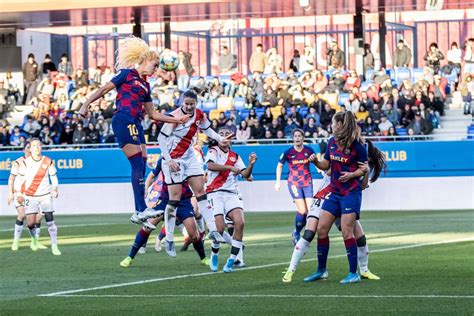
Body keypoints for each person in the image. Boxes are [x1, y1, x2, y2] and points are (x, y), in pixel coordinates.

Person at [78, 36, 188, 229]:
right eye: (154, 66)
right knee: (137, 163)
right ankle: (140, 210)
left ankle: (140, 209)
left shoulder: (146, 85)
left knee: (144, 161)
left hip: (136, 123)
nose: (155, 70)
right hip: (124, 118)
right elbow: (104, 89)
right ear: (145, 61)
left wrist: (175, 119)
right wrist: (86, 104)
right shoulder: (127, 74)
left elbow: (153, 114)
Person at [282, 139, 385, 282]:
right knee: (312, 232)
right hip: (325, 196)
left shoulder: (358, 164)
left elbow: (361, 186)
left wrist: (364, 173)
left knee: (358, 236)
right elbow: (329, 169)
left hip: (341, 198)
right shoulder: (341, 154)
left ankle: (364, 270)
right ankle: (295, 270)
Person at [158, 90, 233, 256]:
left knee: (201, 192)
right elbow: (161, 139)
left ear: (196, 103)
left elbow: (208, 130)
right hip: (174, 158)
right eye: (187, 104)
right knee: (174, 200)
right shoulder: (174, 116)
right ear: (182, 103)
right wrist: (169, 159)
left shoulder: (199, 115)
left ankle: (213, 230)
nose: (189, 107)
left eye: (192, 104)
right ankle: (169, 238)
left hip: (189, 155)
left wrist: (221, 139)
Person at [303, 112, 368, 284]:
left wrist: (352, 174)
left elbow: (364, 169)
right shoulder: (331, 142)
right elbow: (327, 165)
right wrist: (316, 162)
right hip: (335, 192)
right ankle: (321, 270)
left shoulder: (358, 147)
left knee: (347, 231)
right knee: (321, 229)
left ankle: (354, 273)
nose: (331, 126)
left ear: (340, 125)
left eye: (333, 123)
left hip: (351, 194)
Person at [120, 158, 210, 267]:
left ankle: (203, 258)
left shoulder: (187, 158)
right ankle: (130, 256)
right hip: (165, 200)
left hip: (183, 201)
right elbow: (152, 175)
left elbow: (196, 179)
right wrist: (146, 190)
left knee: (193, 234)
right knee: (148, 226)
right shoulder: (164, 159)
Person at [206, 127, 257, 273]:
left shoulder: (236, 155)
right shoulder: (213, 151)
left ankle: (231, 260)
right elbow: (210, 165)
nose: (223, 136)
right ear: (216, 138)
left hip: (231, 193)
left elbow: (245, 174)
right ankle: (214, 253)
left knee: (240, 223)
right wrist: (230, 167)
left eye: (226, 134)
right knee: (220, 229)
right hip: (215, 193)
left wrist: (251, 164)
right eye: (220, 134)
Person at [14, 139, 61, 255]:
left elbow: (53, 176)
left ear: (41, 147)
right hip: (30, 196)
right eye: (34, 146)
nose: (37, 148)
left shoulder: (48, 161)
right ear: (30, 149)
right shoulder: (25, 163)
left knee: (50, 221)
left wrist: (55, 188)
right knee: (30, 223)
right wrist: (19, 193)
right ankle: (34, 240)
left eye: (39, 145)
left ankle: (54, 246)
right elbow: (18, 179)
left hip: (45, 195)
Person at [275, 129, 315, 244]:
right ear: (293, 138)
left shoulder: (309, 150)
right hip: (294, 183)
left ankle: (302, 233)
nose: (297, 138)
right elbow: (279, 166)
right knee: (302, 210)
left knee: (310, 211)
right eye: (295, 136)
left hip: (307, 183)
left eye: (299, 136)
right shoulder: (288, 152)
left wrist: (320, 169)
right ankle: (297, 233)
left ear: (303, 138)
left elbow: (316, 161)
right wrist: (277, 182)